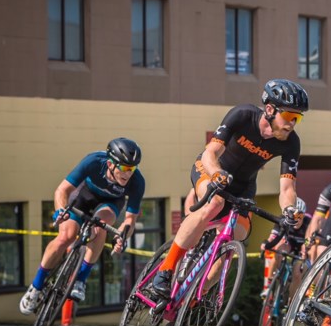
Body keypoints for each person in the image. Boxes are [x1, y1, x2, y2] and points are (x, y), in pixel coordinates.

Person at [150, 79, 309, 297]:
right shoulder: (243, 115)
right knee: (215, 202)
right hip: (212, 169)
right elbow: (210, 153)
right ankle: (166, 270)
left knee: (234, 242)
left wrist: (289, 210)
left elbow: (287, 187)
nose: (292, 124)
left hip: (243, 187)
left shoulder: (291, 143)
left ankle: (192, 301)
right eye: (290, 116)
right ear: (270, 109)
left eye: (298, 118)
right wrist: (216, 174)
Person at [20, 138, 144, 314]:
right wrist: (60, 211)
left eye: (132, 168)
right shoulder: (93, 161)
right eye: (124, 168)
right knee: (66, 236)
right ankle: (36, 286)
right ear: (110, 164)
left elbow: (130, 220)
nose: (128, 173)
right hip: (83, 197)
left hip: (110, 203)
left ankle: (80, 280)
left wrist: (122, 236)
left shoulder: (137, 182)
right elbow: (62, 190)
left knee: (101, 227)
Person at [260, 197, 309, 299]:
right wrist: (266, 244)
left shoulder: (309, 222)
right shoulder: (283, 219)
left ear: (304, 215)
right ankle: (268, 286)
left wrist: (305, 252)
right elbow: (273, 237)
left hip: (301, 247)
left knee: (297, 273)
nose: (297, 220)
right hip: (288, 243)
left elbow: (309, 242)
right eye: (295, 217)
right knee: (279, 250)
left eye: (300, 217)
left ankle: (292, 301)